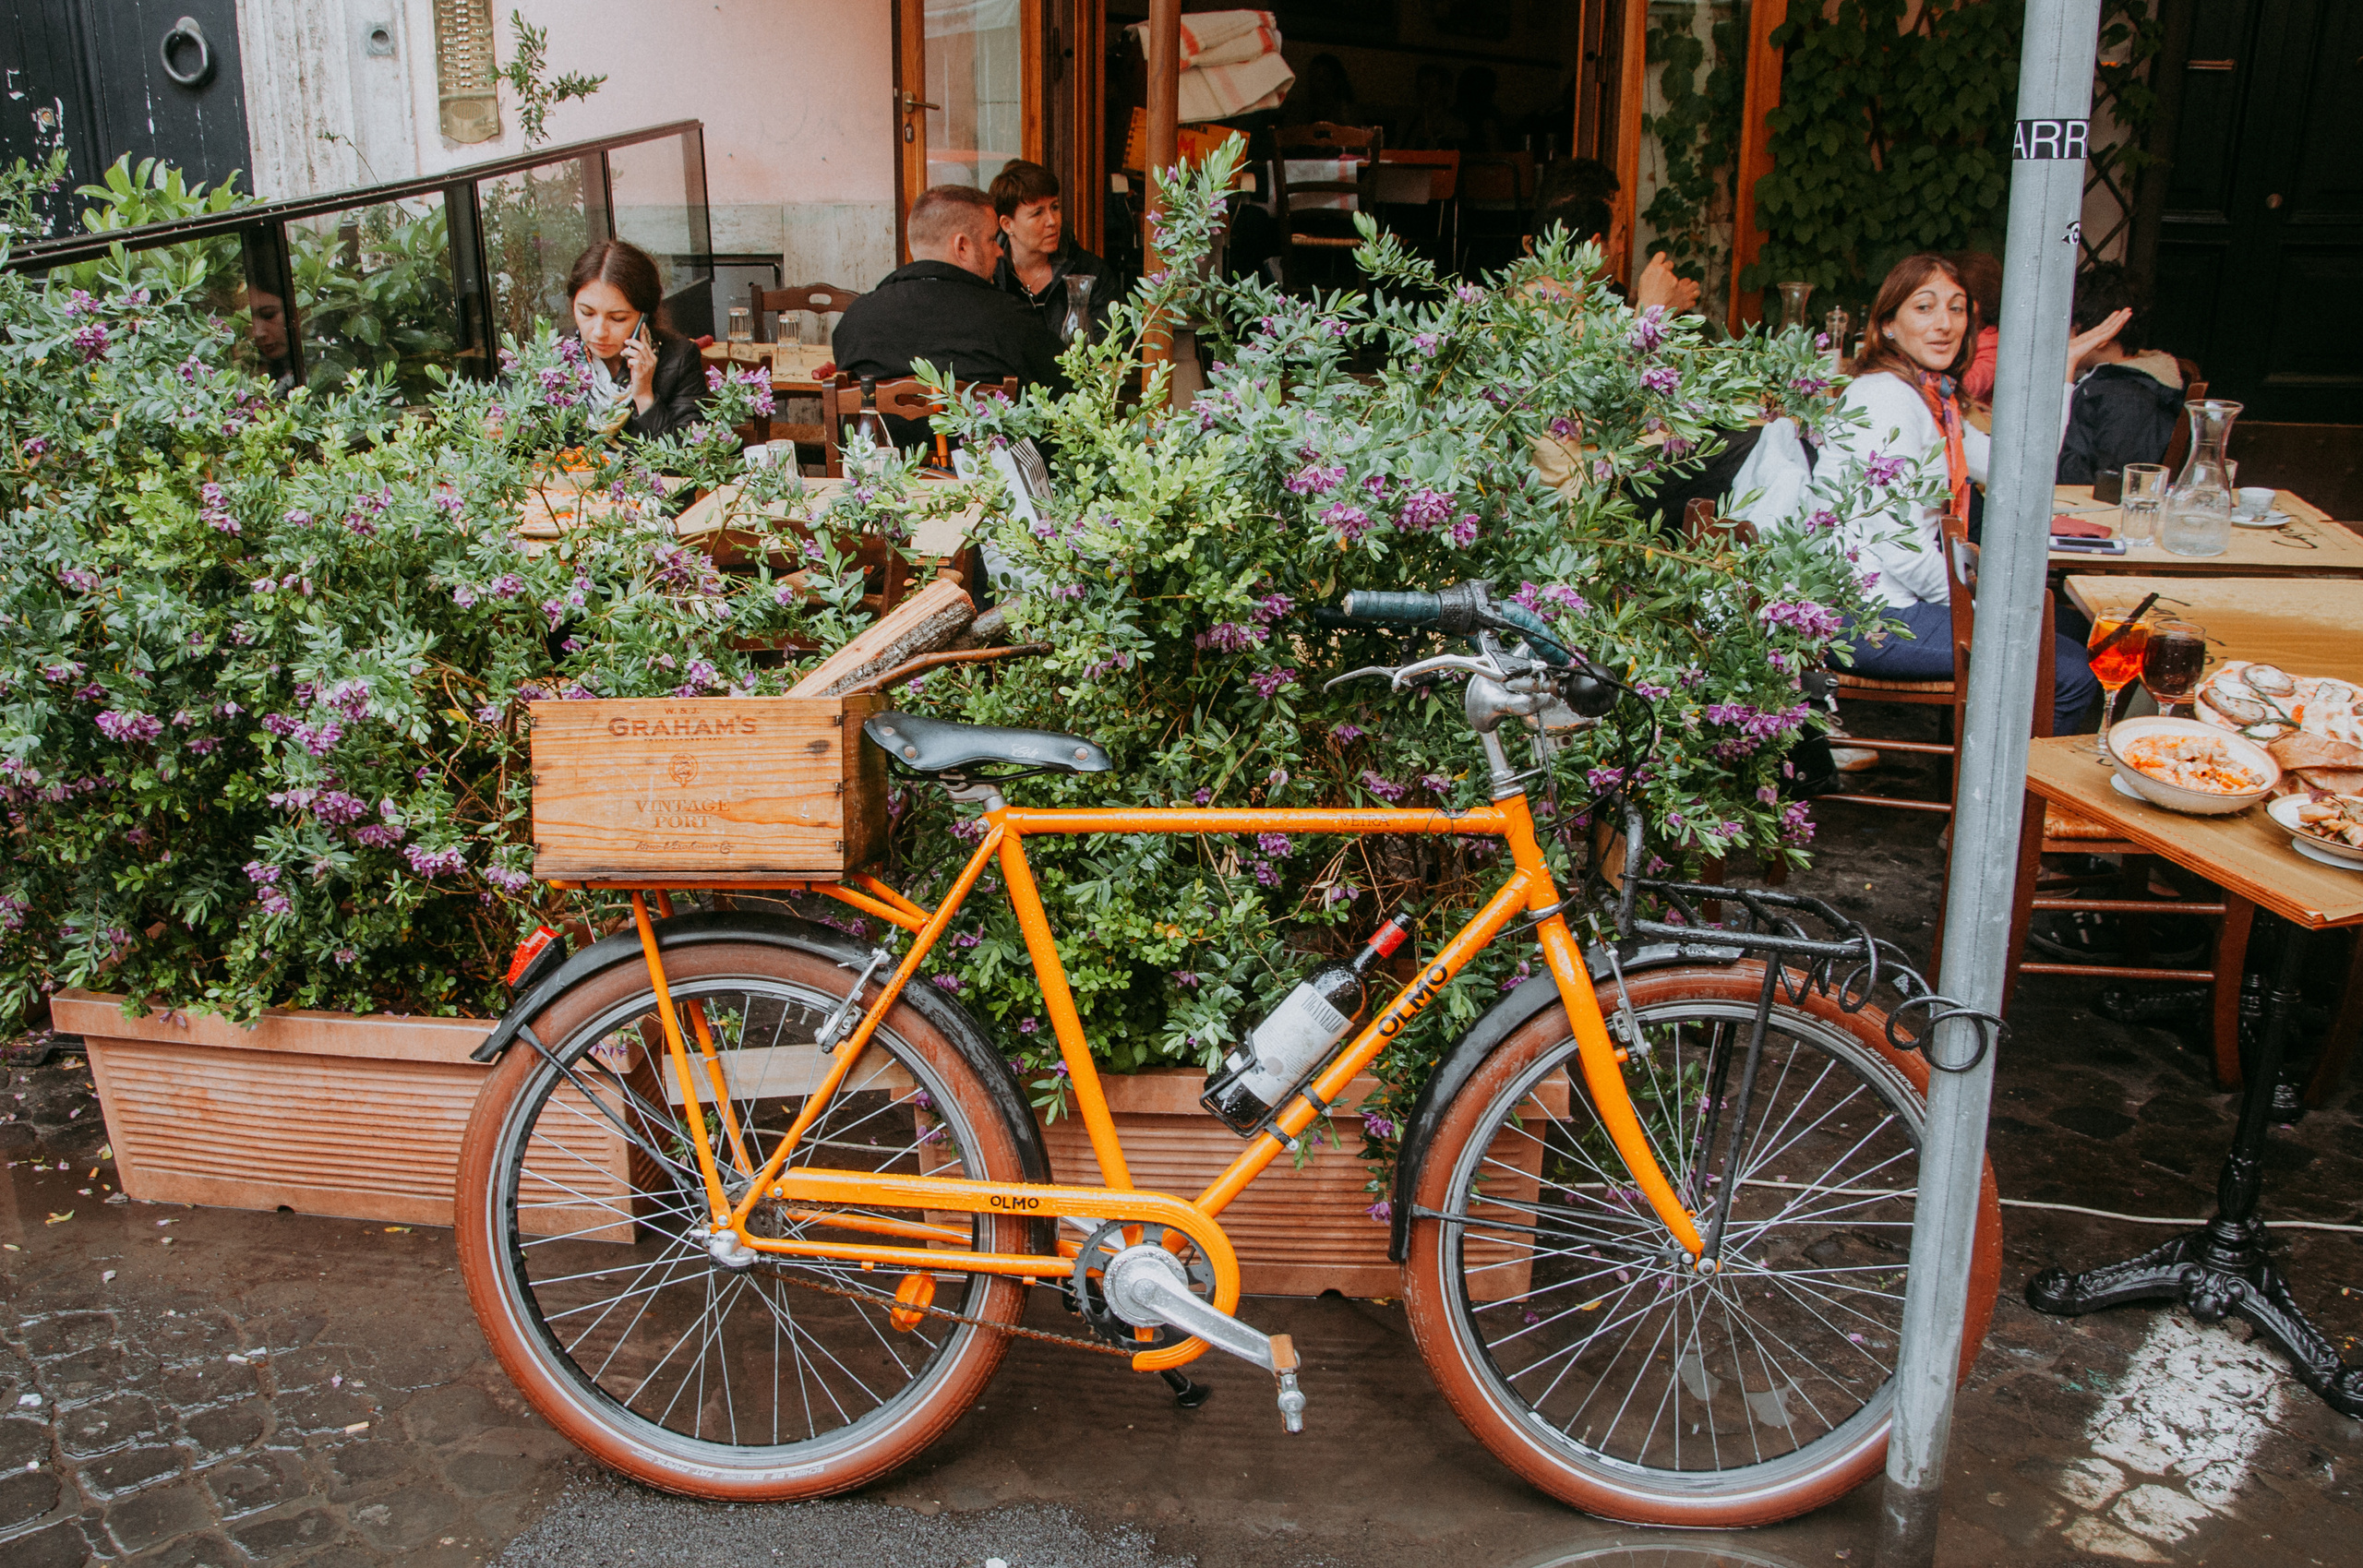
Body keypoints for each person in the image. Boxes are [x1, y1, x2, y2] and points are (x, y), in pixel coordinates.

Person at [1808, 252, 2128, 739]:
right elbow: (1900, 551)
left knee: (2075, 634)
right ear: (1887, 325)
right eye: (1925, 307)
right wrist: (1978, 606)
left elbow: (2022, 469)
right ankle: (2003, 810)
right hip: (1863, 617)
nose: (1944, 324)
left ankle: (1996, 784)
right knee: (2068, 674)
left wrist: (2063, 368)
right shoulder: (1884, 399)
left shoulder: (1932, 400)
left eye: (1957, 309)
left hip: (1891, 601)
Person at [833, 185, 1062, 446]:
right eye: (992, 239)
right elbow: (1063, 394)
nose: (1000, 251)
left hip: (881, 483)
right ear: (962, 247)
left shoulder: (857, 319)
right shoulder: (1010, 319)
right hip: (983, 483)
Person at [564, 240, 710, 439]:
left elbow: (690, 456)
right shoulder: (553, 360)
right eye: (586, 313)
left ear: (644, 315)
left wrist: (644, 397)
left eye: (618, 318)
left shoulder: (679, 358)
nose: (599, 332)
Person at [2057, 262, 2184, 484]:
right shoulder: (2102, 381)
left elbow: (2107, 479)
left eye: (2067, 330)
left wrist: (2046, 456)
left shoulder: (2130, 398)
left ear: (2102, 337)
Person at [988, 160, 1121, 345]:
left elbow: (1118, 345)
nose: (1052, 220)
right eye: (1037, 213)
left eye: (1055, 207)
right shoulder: (990, 274)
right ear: (1007, 224)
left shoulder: (1090, 271)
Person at [1950, 250, 2002, 405]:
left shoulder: (1993, 345)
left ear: (1974, 307)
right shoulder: (1958, 335)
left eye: (1953, 305)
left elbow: (1970, 386)